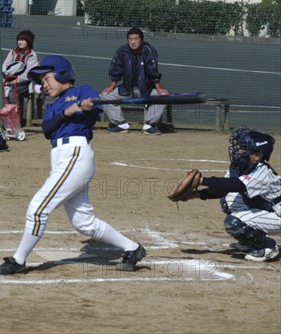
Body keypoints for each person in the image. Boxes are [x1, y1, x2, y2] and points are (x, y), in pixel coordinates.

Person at [0, 55, 146, 275]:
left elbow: (92, 108)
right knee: (84, 223)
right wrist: (69, 111)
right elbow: (47, 129)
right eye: (42, 81)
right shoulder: (54, 106)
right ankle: (133, 248)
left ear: (62, 73)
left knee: (37, 209)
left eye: (47, 78)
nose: (44, 85)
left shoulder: (83, 91)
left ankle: (18, 260)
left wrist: (86, 106)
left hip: (75, 154)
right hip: (62, 157)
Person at [184, 127, 280, 262]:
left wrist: (202, 180)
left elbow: (234, 185)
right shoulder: (240, 167)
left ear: (257, 155)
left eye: (243, 148)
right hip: (268, 209)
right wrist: (199, 194)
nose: (238, 151)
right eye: (239, 147)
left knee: (234, 222)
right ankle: (250, 242)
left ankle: (267, 247)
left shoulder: (262, 173)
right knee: (228, 200)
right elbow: (224, 189)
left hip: (278, 214)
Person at [100, 27, 168, 135]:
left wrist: (159, 89)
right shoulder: (122, 50)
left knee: (164, 97)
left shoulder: (149, 50)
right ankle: (121, 124)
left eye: (136, 39)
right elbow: (116, 70)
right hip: (126, 89)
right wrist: (111, 87)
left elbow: (153, 72)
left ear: (141, 40)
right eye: (130, 39)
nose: (133, 42)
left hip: (145, 90)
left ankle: (149, 125)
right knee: (104, 95)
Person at [0, 29, 39, 121]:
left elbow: (28, 74)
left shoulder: (32, 55)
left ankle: (16, 120)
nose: (20, 42)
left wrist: (16, 81)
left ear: (29, 41)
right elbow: (4, 65)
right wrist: (6, 76)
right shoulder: (13, 52)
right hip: (9, 81)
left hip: (25, 84)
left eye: (23, 40)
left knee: (13, 94)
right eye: (19, 40)